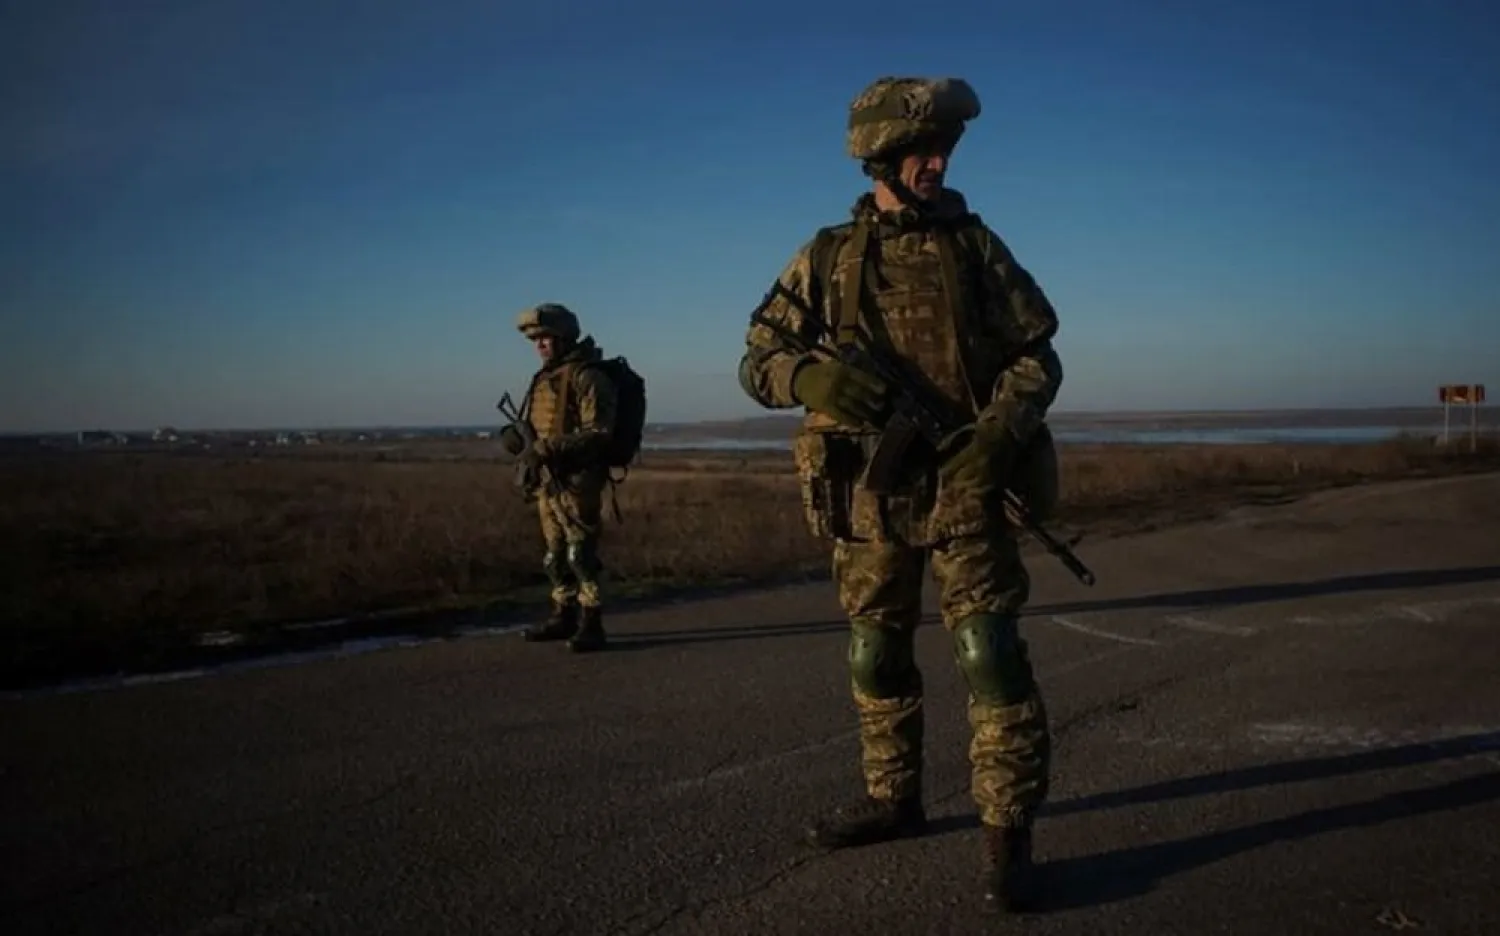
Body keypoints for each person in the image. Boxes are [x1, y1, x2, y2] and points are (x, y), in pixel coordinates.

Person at [736, 76, 1065, 913]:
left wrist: (1000, 432)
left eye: (945, 149)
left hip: (966, 488)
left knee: (988, 652)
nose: (938, 163)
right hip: (866, 497)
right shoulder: (825, 256)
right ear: (880, 155)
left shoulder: (976, 248)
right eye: (923, 149)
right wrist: (807, 377)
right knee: (875, 653)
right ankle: (893, 798)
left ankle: (1007, 835)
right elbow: (757, 358)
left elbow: (1038, 355)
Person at [499, 302, 617, 653]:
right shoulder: (543, 378)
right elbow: (537, 427)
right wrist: (518, 441)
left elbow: (599, 432)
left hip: (578, 480)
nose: (540, 345)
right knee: (554, 556)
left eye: (546, 338)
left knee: (580, 554)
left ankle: (591, 622)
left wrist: (546, 448)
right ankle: (562, 614)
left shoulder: (587, 376)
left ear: (564, 337)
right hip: (547, 482)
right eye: (535, 339)